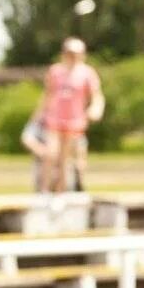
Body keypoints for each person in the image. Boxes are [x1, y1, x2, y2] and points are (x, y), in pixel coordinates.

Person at [37, 37, 104, 193]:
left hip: (75, 123)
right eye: (69, 53)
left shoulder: (87, 73)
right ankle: (44, 192)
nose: (72, 57)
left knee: (68, 161)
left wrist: (96, 108)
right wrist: (38, 115)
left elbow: (97, 95)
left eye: (75, 53)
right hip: (54, 121)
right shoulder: (55, 71)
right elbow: (47, 94)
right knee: (50, 155)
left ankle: (63, 194)